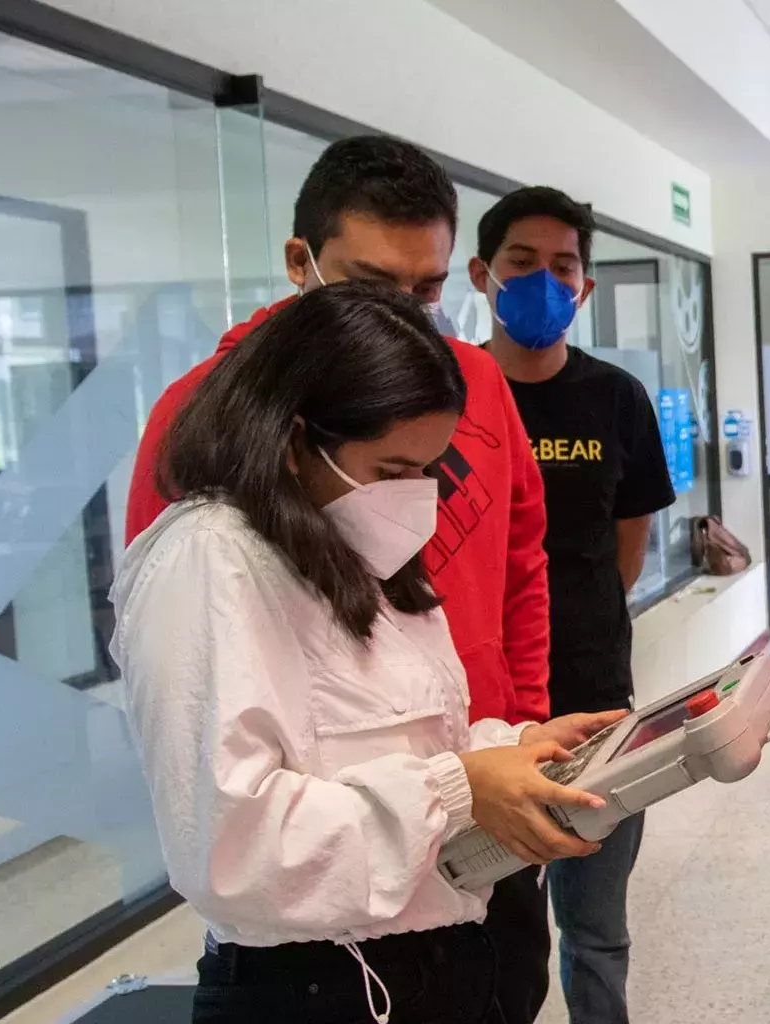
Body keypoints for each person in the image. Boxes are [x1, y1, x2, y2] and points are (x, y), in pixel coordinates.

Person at [122, 136, 558, 1023]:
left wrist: (515, 742)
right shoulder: (211, 536)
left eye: (425, 292)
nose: (420, 501)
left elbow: (518, 567)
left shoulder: (446, 410)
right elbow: (226, 806)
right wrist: (460, 786)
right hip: (329, 951)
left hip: (447, 884)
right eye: (397, 467)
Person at [469, 186, 675, 1024]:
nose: (545, 284)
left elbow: (626, 549)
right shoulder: (453, 392)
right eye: (523, 264)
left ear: (585, 288)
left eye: (564, 268)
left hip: (594, 697)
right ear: (483, 274)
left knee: (595, 928)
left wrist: (577, 627)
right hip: (486, 713)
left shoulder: (617, 399)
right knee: (495, 929)